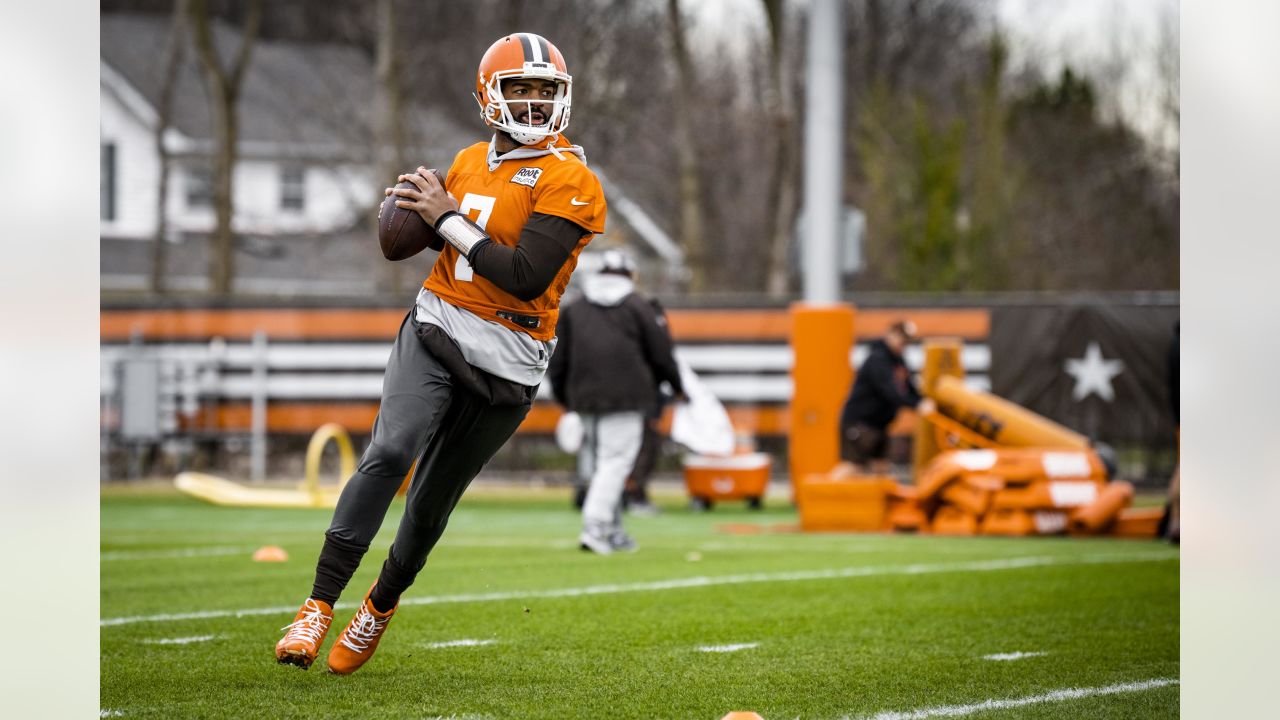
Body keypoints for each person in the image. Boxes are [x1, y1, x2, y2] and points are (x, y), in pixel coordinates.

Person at [274, 32, 606, 675]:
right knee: (391, 450)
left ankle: (380, 603)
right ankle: (316, 605)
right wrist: (405, 219)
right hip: (438, 326)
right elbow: (424, 242)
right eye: (520, 89)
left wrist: (447, 217)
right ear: (489, 95)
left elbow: (523, 274)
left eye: (546, 91)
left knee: (430, 504)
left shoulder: (573, 178)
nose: (534, 104)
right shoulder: (464, 162)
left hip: (511, 353)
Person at [548, 249, 684, 553]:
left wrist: (565, 398)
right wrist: (676, 387)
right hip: (628, 397)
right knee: (615, 464)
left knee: (600, 467)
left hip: (583, 398)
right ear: (630, 276)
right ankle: (595, 528)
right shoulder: (639, 306)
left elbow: (558, 360)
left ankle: (614, 531)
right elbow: (661, 353)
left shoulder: (574, 308)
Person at [839, 320, 935, 469]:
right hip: (861, 423)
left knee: (881, 467)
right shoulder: (878, 359)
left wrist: (923, 401)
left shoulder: (899, 362)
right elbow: (890, 392)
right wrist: (917, 405)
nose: (903, 343)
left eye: (906, 340)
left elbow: (909, 388)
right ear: (890, 334)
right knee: (852, 467)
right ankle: (821, 493)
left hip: (879, 425)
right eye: (901, 337)